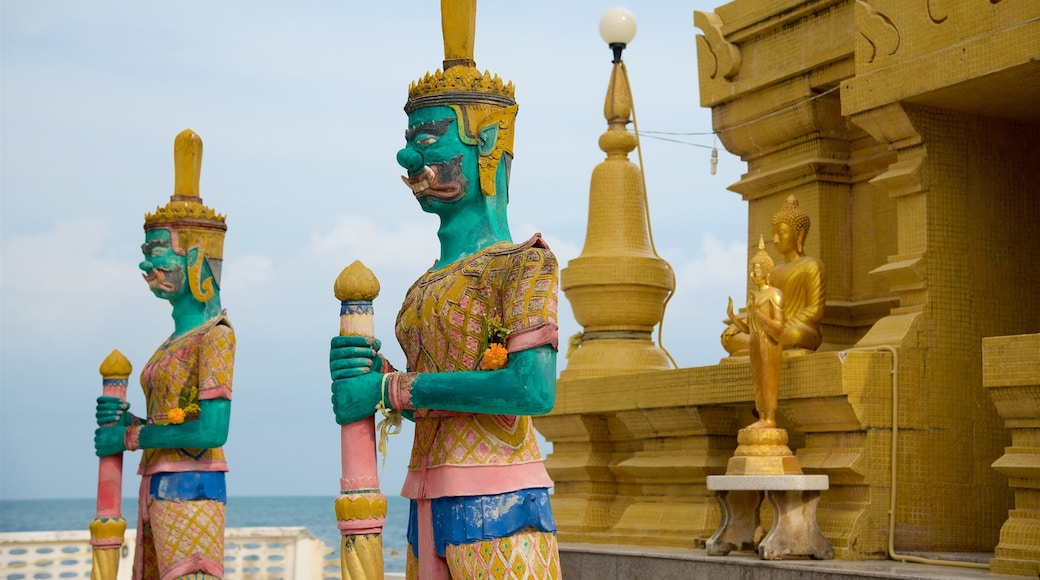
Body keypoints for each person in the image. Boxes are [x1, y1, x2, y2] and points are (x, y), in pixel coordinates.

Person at [329, 2, 561, 578]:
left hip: (501, 505)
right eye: (410, 140)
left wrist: (394, 387)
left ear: (486, 146)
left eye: (430, 138)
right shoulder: (421, 288)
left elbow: (532, 390)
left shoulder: (523, 264)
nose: (411, 157)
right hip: (427, 498)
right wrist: (374, 377)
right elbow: (437, 404)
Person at [94, 129, 234, 580]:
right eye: (146, 252)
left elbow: (212, 429)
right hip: (156, 482)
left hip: (194, 486)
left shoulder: (215, 335)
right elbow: (167, 420)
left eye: (158, 252)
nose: (146, 265)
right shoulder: (169, 345)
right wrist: (131, 424)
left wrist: (132, 439)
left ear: (196, 262)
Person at [722, 194, 825, 356]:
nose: (775, 239)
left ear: (799, 234)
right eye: (773, 234)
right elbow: (765, 311)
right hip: (773, 329)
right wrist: (738, 322)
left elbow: (815, 310)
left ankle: (758, 345)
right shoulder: (774, 271)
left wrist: (785, 325)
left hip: (798, 329)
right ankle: (758, 344)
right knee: (729, 336)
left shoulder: (811, 265)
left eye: (781, 233)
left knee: (796, 335)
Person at [726, 236, 784, 429]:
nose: (752, 274)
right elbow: (750, 329)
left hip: (769, 343)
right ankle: (761, 417)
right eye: (751, 270)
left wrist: (758, 313)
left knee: (768, 379)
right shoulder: (754, 298)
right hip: (755, 342)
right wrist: (733, 317)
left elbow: (779, 327)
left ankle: (770, 418)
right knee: (758, 380)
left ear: (766, 272)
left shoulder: (774, 294)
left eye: (756, 270)